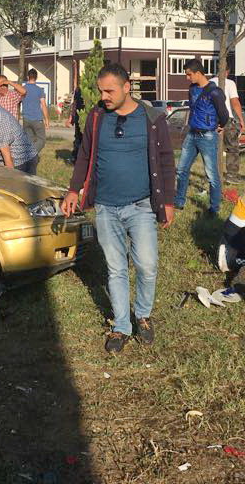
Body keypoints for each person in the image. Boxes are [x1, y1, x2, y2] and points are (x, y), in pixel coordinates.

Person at [63, 63, 176, 354]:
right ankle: (122, 326)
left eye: (109, 90)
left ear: (127, 87)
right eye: (101, 91)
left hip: (141, 206)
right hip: (105, 207)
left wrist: (168, 202)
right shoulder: (97, 117)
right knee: (116, 270)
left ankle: (143, 315)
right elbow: (84, 155)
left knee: (147, 265)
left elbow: (165, 161)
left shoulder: (152, 118)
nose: (104, 96)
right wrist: (73, 190)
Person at [174, 59, 230, 215]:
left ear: (198, 73)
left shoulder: (215, 92)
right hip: (192, 134)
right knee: (181, 170)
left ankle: (214, 208)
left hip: (207, 136)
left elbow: (224, 114)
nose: (187, 78)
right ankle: (179, 202)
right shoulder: (192, 89)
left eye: (189, 74)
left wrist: (220, 126)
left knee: (212, 175)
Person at [210, 71, 245, 182]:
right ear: (227, 72)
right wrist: (241, 120)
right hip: (227, 119)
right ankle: (232, 175)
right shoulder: (229, 83)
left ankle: (213, 174)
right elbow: (234, 102)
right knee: (232, 148)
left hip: (212, 119)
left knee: (213, 149)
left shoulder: (209, 83)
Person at [20, 69, 50, 168]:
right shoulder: (39, 90)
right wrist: (47, 119)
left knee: (30, 140)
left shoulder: (23, 89)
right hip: (37, 118)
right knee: (42, 140)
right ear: (36, 78)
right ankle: (30, 155)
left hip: (26, 118)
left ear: (28, 77)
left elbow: (18, 102)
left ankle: (30, 159)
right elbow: (43, 105)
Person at [65, 84, 85, 162]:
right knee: (78, 138)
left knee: (81, 139)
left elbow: (74, 105)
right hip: (78, 116)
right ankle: (76, 157)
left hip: (85, 116)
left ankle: (78, 157)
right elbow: (75, 105)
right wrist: (71, 119)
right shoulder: (78, 90)